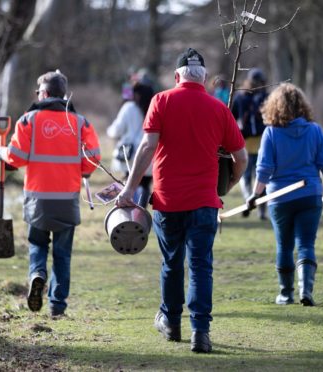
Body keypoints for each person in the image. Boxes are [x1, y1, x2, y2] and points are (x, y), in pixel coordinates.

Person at [115, 48, 247, 353]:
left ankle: (172, 323)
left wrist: (128, 190)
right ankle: (200, 332)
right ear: (203, 79)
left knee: (172, 263)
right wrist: (229, 182)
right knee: (201, 266)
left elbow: (147, 148)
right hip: (204, 202)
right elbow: (240, 158)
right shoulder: (218, 109)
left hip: (168, 201)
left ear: (177, 76)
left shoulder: (161, 101)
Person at [0, 71, 101, 317]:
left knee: (37, 245)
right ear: (63, 94)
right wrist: (83, 172)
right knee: (63, 255)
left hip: (37, 200)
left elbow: (17, 158)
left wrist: (1, 153)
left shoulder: (27, 120)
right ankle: (57, 306)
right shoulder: (80, 122)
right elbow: (94, 157)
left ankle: (37, 274)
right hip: (67, 200)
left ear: (43, 93)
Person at [246, 83, 323, 307]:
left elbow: (264, 168)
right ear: (302, 106)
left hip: (279, 198)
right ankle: (305, 291)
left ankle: (286, 294)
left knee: (284, 245)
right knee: (306, 243)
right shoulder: (315, 130)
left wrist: (255, 195)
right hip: (310, 195)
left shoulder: (271, 133)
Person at [107, 82, 155, 208]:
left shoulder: (129, 107)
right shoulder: (155, 106)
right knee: (144, 185)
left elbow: (115, 130)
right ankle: (141, 211)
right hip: (150, 154)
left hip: (130, 154)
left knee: (129, 184)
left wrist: (110, 131)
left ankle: (129, 213)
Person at [231, 68, 268, 220]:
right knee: (245, 177)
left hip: (263, 142)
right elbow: (232, 118)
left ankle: (262, 211)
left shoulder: (267, 98)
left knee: (261, 176)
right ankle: (249, 200)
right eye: (254, 82)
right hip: (244, 142)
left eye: (259, 82)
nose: (256, 84)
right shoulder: (241, 97)